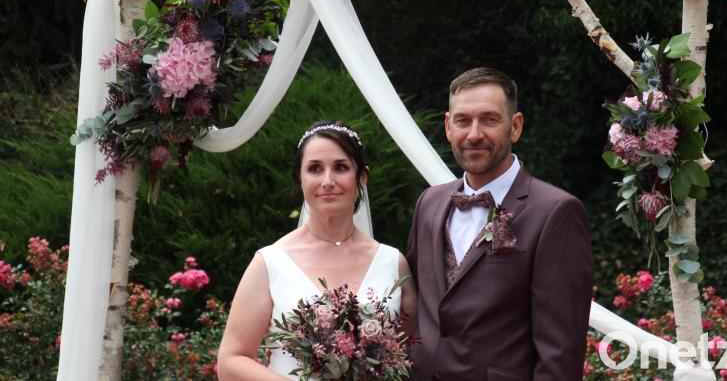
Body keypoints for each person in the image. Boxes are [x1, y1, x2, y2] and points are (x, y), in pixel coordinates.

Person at [407, 67, 593, 380]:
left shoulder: (556, 212)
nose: (474, 134)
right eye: (463, 120)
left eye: (489, 119)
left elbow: (560, 354)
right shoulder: (429, 203)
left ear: (515, 126)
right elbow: (413, 312)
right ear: (448, 127)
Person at [218, 120, 417, 380]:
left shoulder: (393, 263)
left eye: (341, 167)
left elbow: (405, 353)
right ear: (300, 179)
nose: (328, 181)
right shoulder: (270, 263)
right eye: (314, 169)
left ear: (362, 178)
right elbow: (231, 361)